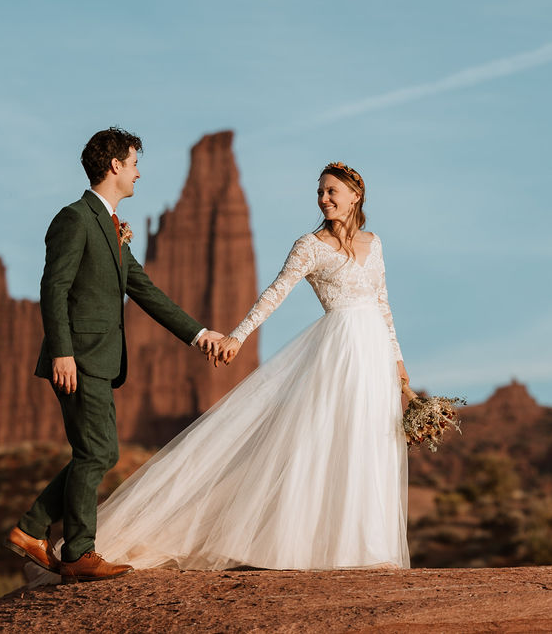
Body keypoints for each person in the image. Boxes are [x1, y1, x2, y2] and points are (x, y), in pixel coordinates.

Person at [29, 160, 411, 577]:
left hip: (374, 352)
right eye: (320, 191)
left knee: (372, 441)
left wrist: (400, 368)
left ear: (355, 195)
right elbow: (274, 293)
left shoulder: (375, 244)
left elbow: (384, 305)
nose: (323, 199)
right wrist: (235, 337)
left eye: (331, 192)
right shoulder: (310, 245)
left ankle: (369, 545)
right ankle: (325, 547)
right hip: (338, 352)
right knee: (331, 442)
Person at [5, 127, 224, 583]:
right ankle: (78, 551)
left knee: (99, 452)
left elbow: (145, 291)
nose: (139, 173)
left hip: (98, 359)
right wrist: (62, 352)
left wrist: (199, 333)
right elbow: (54, 288)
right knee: (97, 452)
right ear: (114, 166)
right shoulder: (75, 218)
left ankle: (30, 529)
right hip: (79, 359)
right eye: (134, 163)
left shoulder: (111, 228)